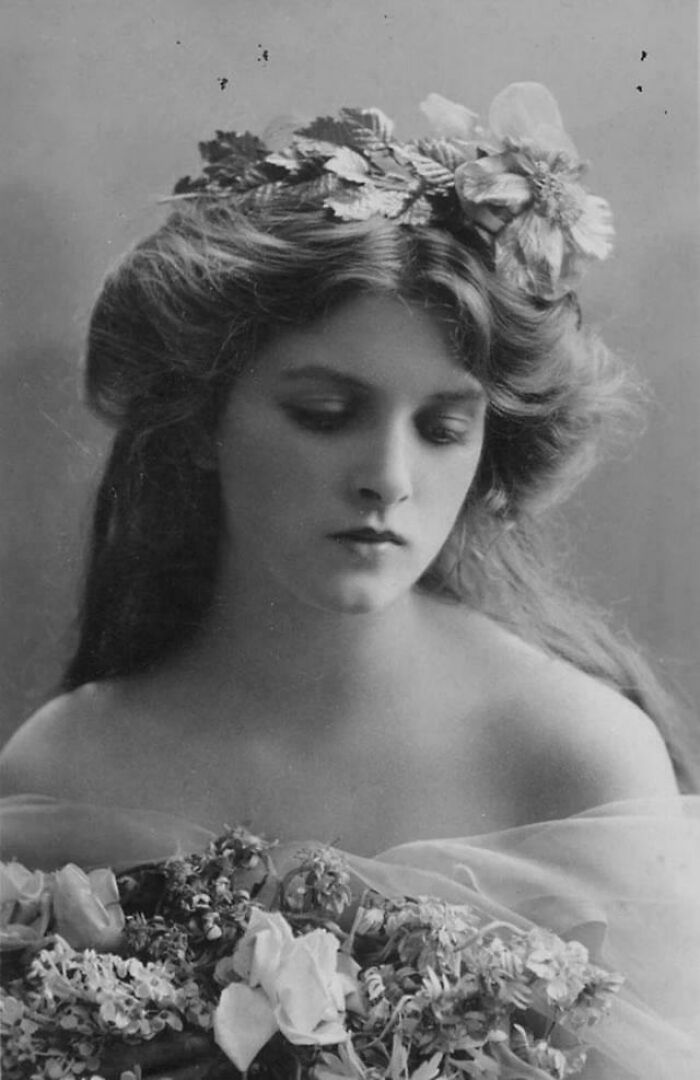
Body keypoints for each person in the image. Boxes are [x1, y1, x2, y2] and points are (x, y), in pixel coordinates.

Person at [1, 83, 698, 1077]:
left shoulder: (574, 758)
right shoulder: (66, 769)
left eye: (443, 427)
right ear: (200, 421)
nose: (389, 477)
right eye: (325, 414)